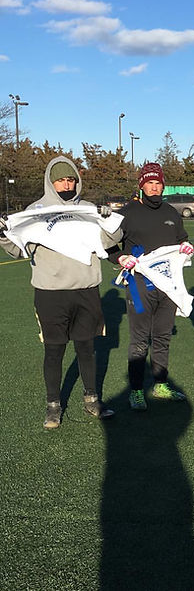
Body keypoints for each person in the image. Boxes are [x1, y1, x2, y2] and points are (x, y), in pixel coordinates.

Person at [0, 156, 118, 428]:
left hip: (86, 289)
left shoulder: (88, 209)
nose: (67, 184)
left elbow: (108, 242)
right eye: (61, 180)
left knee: (86, 348)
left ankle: (91, 399)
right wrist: (4, 234)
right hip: (50, 292)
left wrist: (110, 222)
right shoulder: (35, 211)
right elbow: (18, 249)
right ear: (51, 182)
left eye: (71, 180)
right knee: (54, 350)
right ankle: (53, 405)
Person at [107, 162, 194, 410]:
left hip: (168, 286)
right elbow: (107, 246)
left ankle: (160, 384)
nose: (154, 188)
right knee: (139, 339)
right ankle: (136, 391)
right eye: (150, 183)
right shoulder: (126, 213)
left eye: (158, 183)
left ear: (163, 186)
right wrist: (120, 258)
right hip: (139, 286)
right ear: (141, 185)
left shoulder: (171, 212)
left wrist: (186, 247)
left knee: (163, 336)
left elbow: (182, 239)